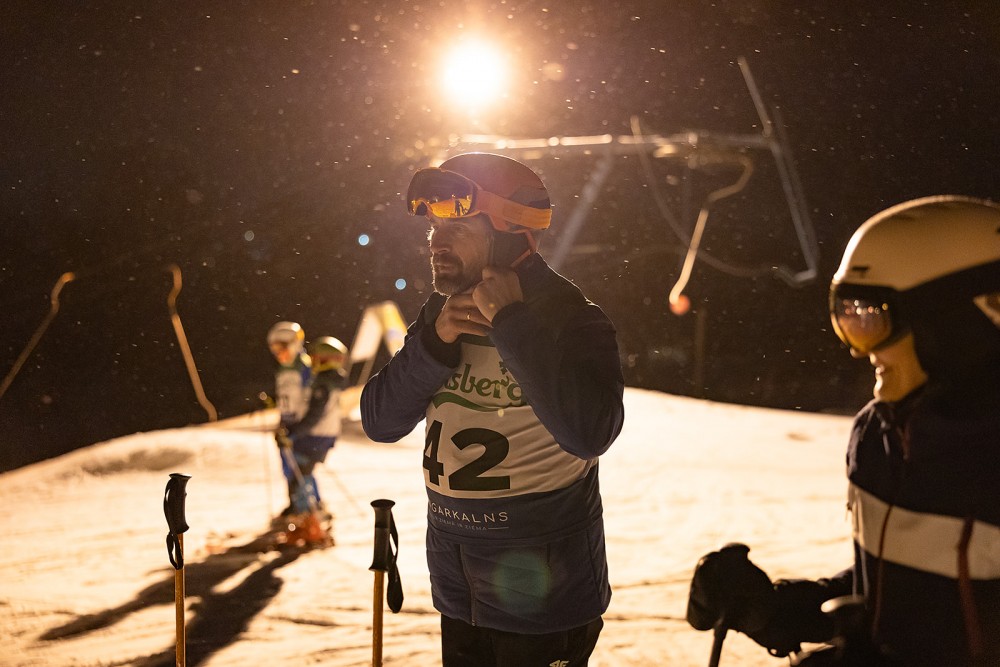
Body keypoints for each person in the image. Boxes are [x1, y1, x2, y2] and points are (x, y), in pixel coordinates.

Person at [686, 195, 1000, 666]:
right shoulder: (880, 436)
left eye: (872, 321)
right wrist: (784, 610)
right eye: (847, 319)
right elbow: (900, 587)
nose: (858, 349)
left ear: (961, 324)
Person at [360, 152, 626, 666]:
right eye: (434, 227)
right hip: (459, 582)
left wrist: (511, 322)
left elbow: (590, 433)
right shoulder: (443, 311)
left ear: (510, 236)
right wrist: (433, 343)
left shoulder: (571, 317)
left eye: (457, 227)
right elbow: (380, 421)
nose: (436, 241)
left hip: (544, 591)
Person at [267, 321, 312, 519]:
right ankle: (295, 504)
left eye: (282, 348)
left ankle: (310, 506)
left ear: (294, 344)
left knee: (301, 467)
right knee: (288, 466)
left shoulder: (304, 367)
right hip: (287, 422)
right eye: (274, 349)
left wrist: (303, 426)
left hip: (300, 425)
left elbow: (309, 398)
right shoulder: (282, 370)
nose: (279, 354)